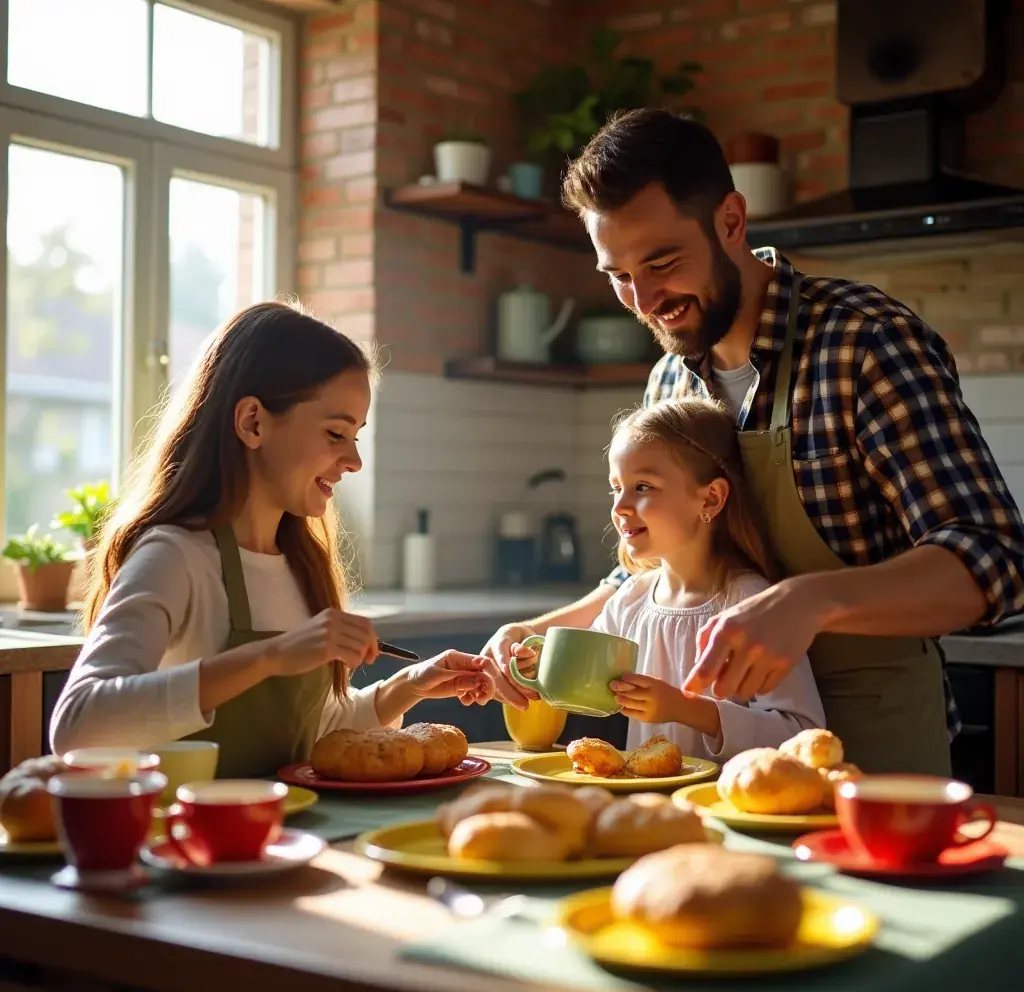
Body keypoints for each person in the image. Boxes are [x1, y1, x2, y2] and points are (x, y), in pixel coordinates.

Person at [485, 108, 1024, 775]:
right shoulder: (669, 381)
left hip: (871, 756)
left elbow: (992, 558)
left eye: (662, 262)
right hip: (715, 774)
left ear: (732, 222)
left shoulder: (865, 342)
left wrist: (813, 600)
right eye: (619, 276)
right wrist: (542, 631)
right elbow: (646, 572)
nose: (646, 300)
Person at [50, 301, 496, 777]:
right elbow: (78, 725)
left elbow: (309, 736)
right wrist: (269, 656)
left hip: (287, 837)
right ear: (253, 422)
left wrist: (409, 685)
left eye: (356, 438)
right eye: (335, 433)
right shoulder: (174, 556)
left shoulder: (300, 564)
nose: (354, 461)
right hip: (193, 846)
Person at [513, 397, 824, 761]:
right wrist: (538, 664)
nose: (619, 507)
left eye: (643, 486)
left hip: (725, 807)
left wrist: (686, 708)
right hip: (650, 809)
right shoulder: (631, 599)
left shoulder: (752, 605)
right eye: (617, 487)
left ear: (711, 499)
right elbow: (586, 686)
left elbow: (801, 734)